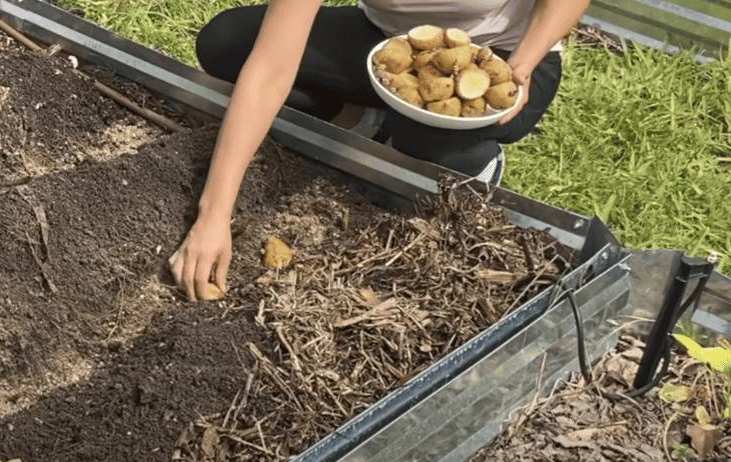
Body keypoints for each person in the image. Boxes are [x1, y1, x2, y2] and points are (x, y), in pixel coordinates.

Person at [169, 0, 591, 301]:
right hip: (390, 46)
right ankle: (365, 118)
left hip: (495, 55)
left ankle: (472, 157)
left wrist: (524, 61)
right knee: (227, 43)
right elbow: (270, 69)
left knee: (426, 153)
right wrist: (214, 214)